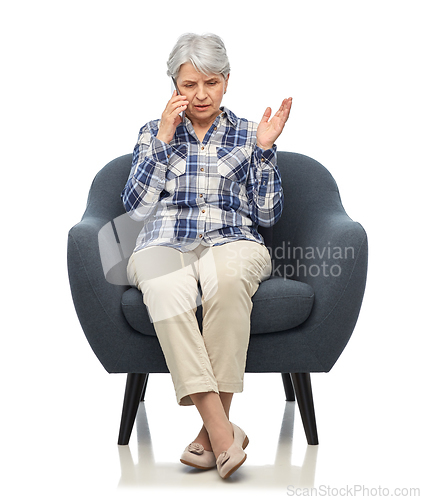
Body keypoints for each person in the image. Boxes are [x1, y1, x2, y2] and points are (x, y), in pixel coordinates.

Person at [121, 33, 292, 479]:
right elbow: (135, 209)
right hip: (163, 241)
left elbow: (269, 214)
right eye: (188, 85)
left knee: (228, 280)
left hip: (233, 239)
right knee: (165, 286)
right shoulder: (152, 131)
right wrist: (161, 140)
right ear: (173, 85)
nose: (200, 95)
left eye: (210, 83)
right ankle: (221, 431)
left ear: (227, 82)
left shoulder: (248, 133)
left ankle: (206, 435)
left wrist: (266, 151)